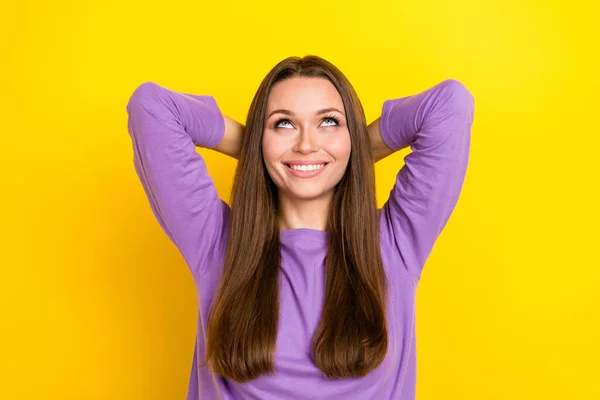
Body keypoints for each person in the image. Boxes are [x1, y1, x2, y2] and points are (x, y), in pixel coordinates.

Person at [125, 55, 474, 400]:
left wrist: (341, 157)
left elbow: (449, 105)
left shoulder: (395, 243)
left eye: (329, 123)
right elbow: (151, 107)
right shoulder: (215, 242)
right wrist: (267, 154)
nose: (306, 144)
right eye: (283, 124)